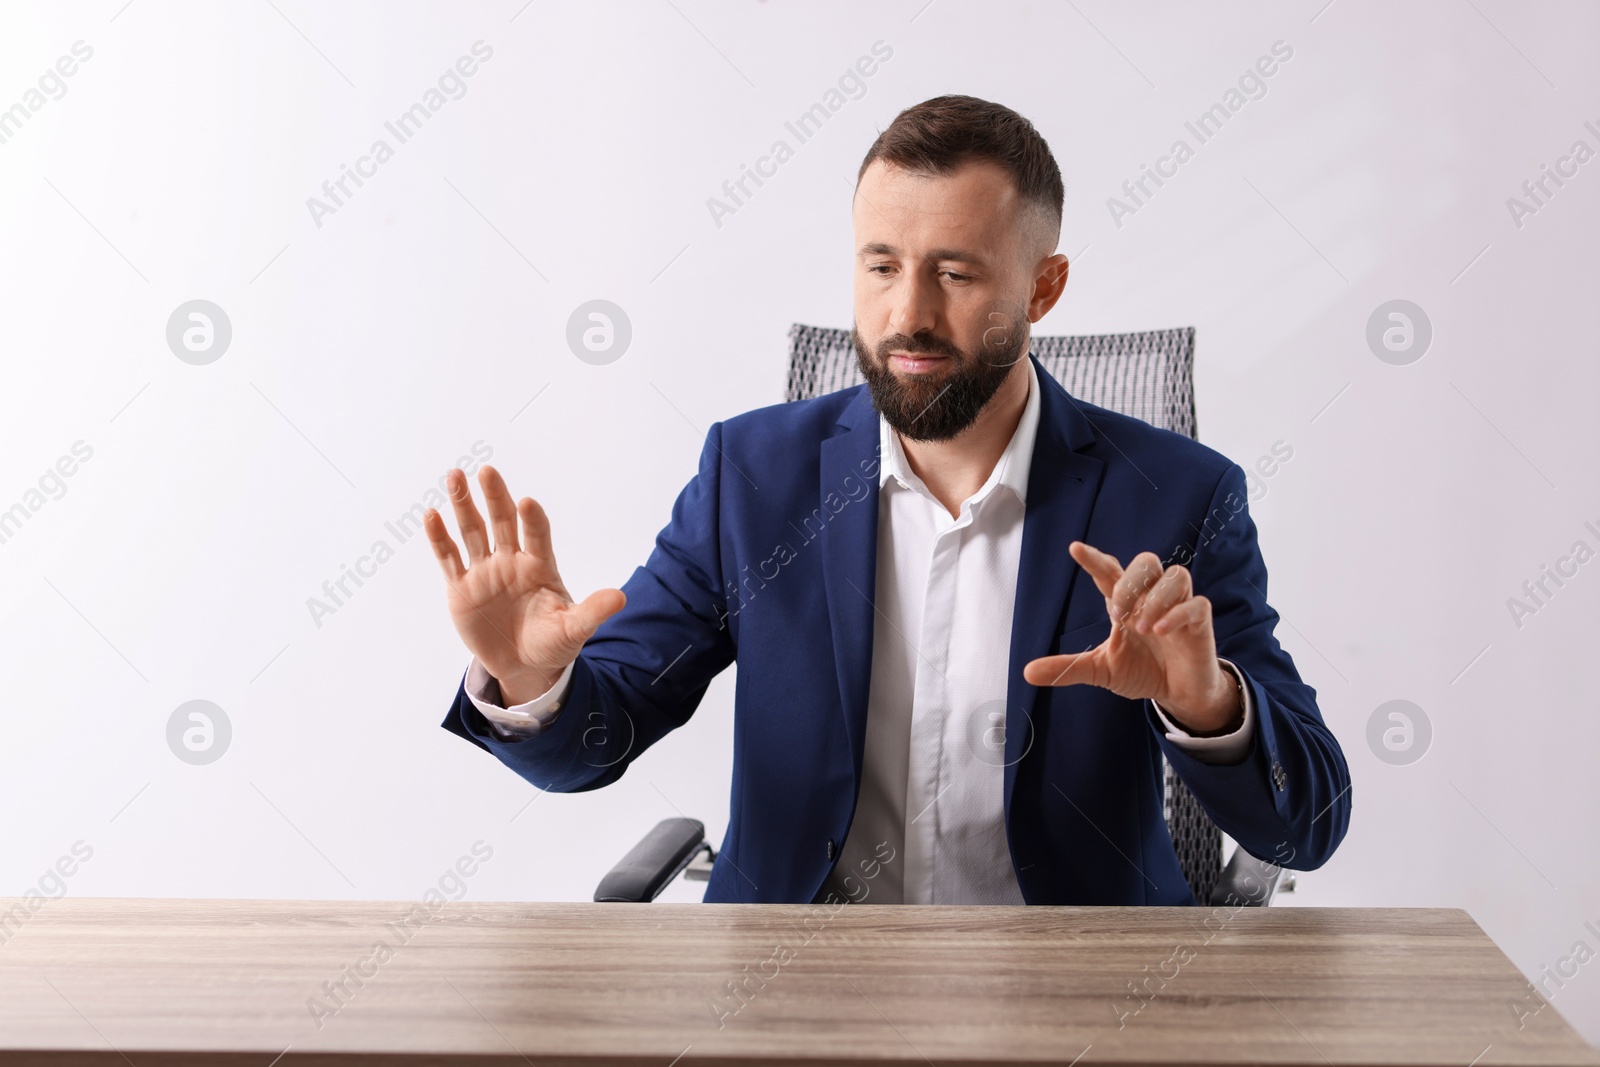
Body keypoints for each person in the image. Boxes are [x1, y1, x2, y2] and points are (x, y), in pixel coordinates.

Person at [428, 95, 1351, 906]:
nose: (908, 313)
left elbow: (1306, 825)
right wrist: (530, 684)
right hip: (797, 998)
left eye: (954, 274)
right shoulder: (753, 476)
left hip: (1078, 998)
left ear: (1044, 286)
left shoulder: (1180, 497)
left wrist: (1204, 702)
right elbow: (594, 741)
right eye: (880, 266)